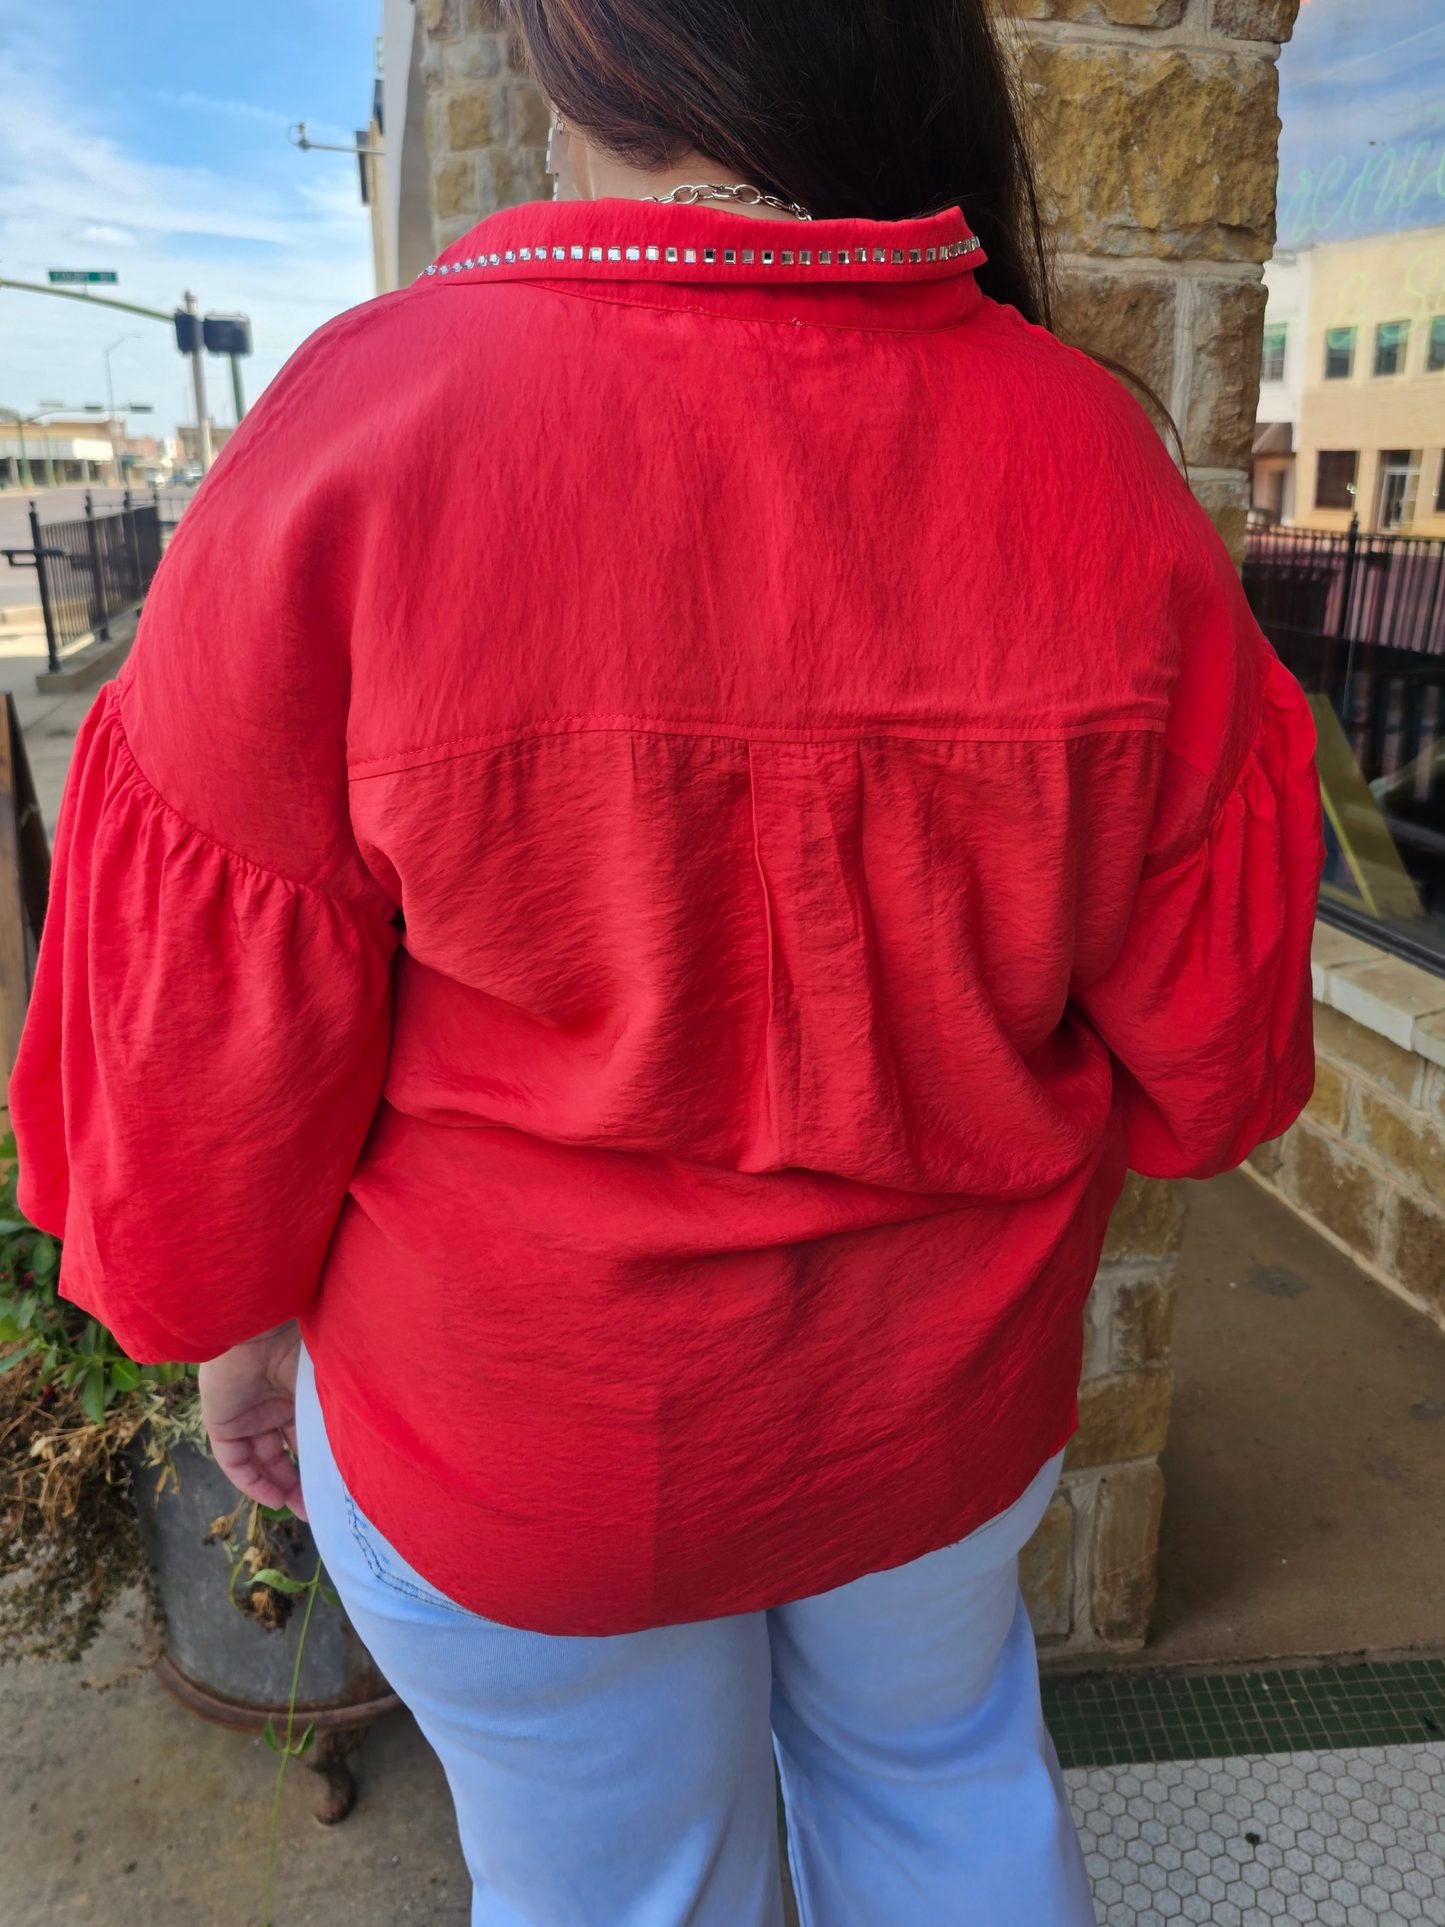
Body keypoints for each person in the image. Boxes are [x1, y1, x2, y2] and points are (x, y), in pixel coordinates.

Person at [10, 0, 1323, 1920]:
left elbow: (212, 1082)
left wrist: (237, 1330)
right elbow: (1215, 1064)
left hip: (515, 1439)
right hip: (933, 1415)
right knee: (946, 1792)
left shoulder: (359, 434)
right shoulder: (1096, 463)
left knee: (624, 1885)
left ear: (585, 60)